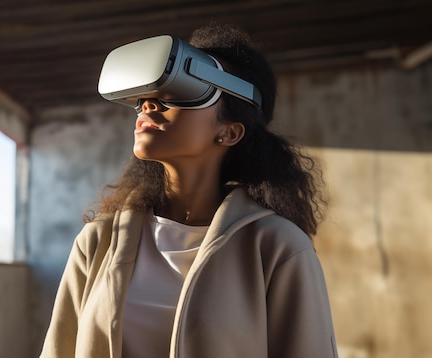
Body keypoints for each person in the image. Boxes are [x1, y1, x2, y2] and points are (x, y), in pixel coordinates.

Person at [40, 22, 338, 358]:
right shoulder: (99, 241)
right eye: (145, 97)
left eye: (182, 90)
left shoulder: (277, 247)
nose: (149, 106)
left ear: (230, 132)